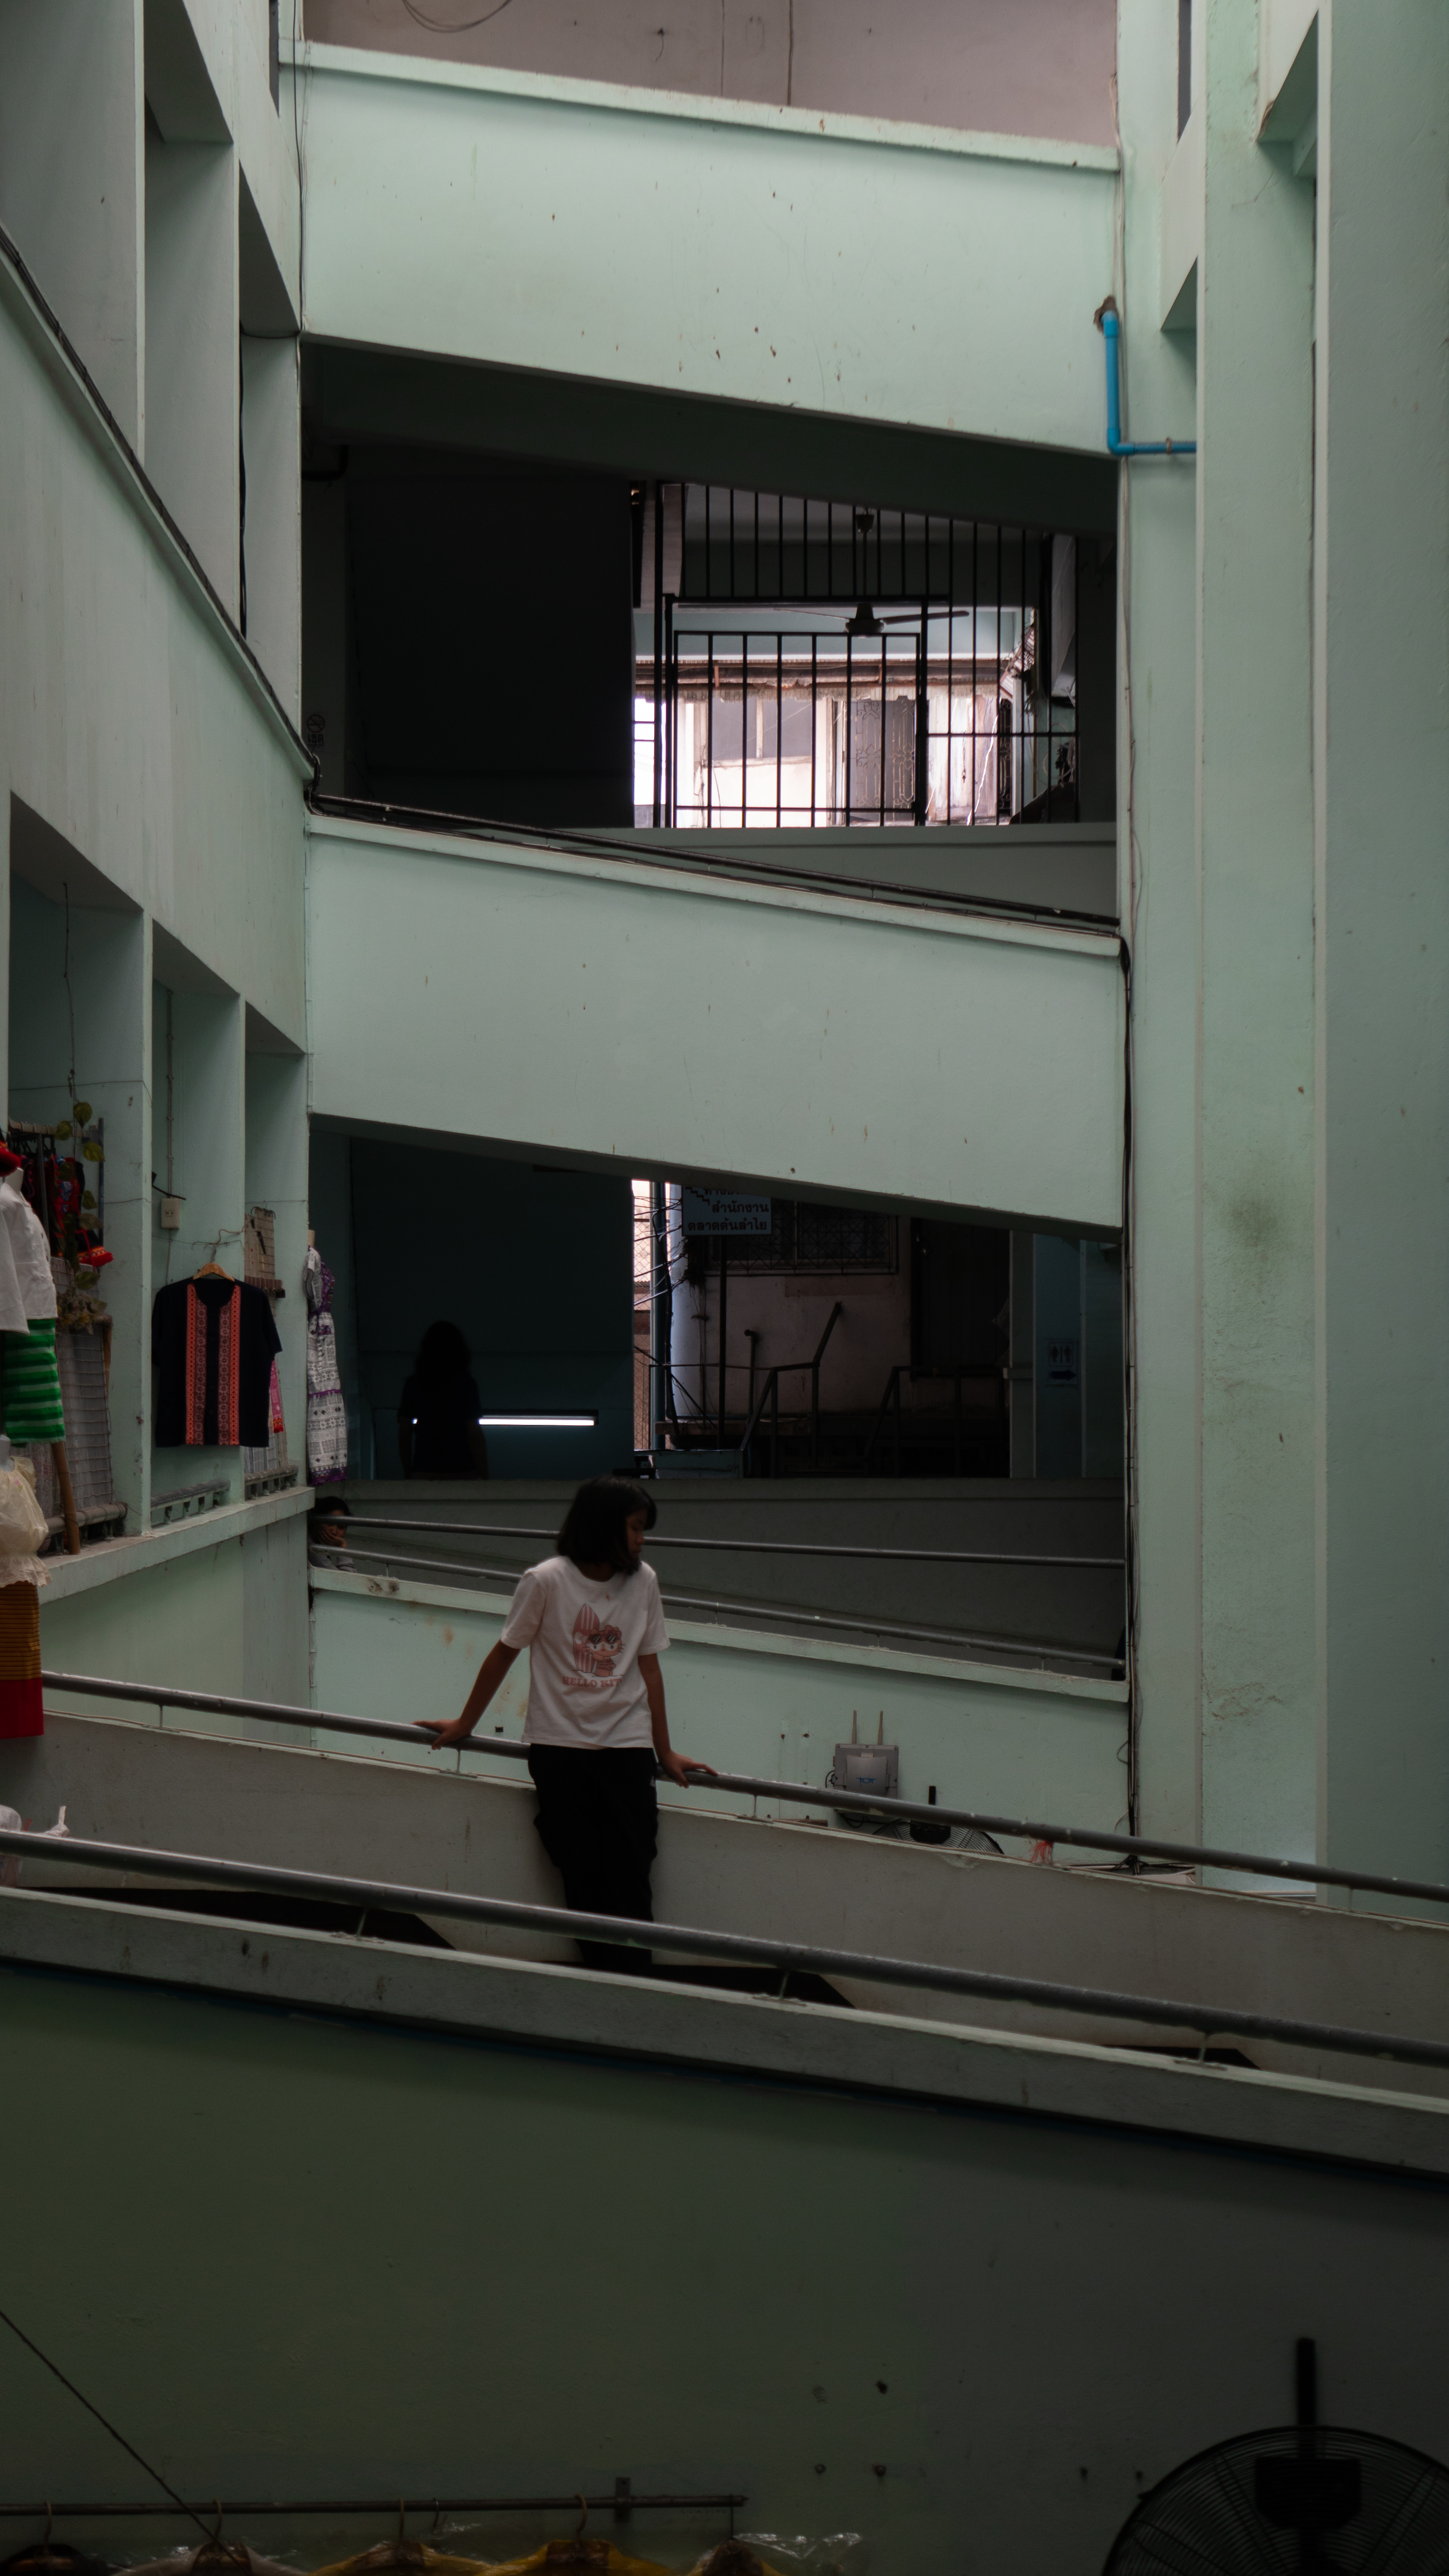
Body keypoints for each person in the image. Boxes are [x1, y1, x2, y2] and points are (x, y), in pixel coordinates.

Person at [422, 1474, 714, 1972]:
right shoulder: (546, 1579)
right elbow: (504, 1653)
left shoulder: (644, 1581)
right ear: (604, 1526)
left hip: (626, 1749)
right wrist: (466, 1721)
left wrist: (663, 1750)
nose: (643, 1539)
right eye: (636, 1527)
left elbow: (649, 1668)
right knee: (579, 1872)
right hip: (559, 1750)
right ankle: (602, 1980)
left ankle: (636, 1981)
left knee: (631, 1869)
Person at [397, 1320, 489, 1479]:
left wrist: (408, 1473)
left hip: (425, 1467)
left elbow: (405, 1433)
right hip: (463, 1468)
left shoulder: (414, 1384)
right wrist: (485, 1476)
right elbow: (474, 1432)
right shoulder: (466, 1384)